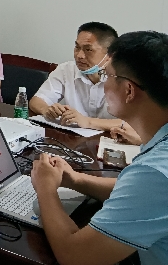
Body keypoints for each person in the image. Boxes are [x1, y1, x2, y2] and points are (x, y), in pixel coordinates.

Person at [31, 31, 168, 265]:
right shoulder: (158, 138)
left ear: (129, 90)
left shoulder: (155, 172)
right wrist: (75, 180)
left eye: (107, 76)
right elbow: (135, 190)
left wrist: (45, 189)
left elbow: (75, 257)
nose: (103, 84)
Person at [30, 22, 121, 131]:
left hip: (111, 139)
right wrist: (47, 109)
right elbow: (36, 101)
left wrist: (88, 122)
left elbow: (133, 125)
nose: (79, 55)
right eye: (77, 47)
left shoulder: (125, 78)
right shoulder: (66, 69)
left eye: (88, 49)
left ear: (110, 55)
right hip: (73, 137)